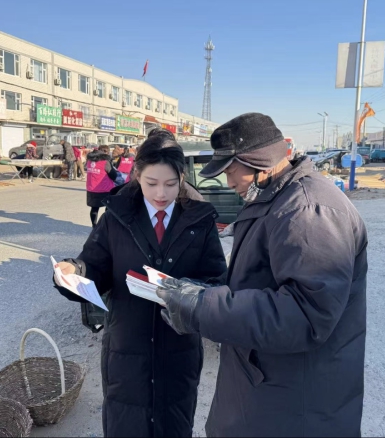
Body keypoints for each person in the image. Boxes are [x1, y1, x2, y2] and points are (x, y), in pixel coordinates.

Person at [156, 112, 368, 437]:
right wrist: (201, 291)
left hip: (295, 405)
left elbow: (305, 315)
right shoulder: (274, 197)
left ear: (260, 162)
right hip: (268, 384)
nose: (228, 182)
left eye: (230, 171)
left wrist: (203, 308)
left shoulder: (308, 211)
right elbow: (257, 279)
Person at [53, 134, 227, 437]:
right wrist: (73, 271)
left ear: (181, 177)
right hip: (127, 348)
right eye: (151, 183)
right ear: (136, 174)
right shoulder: (116, 217)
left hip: (179, 348)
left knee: (174, 424)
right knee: (126, 423)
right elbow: (94, 266)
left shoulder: (199, 220)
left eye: (170, 184)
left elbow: (216, 281)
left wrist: (183, 291)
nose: (161, 193)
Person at [85, 145, 117, 227]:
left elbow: (86, 169)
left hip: (92, 188)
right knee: (108, 208)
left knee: (94, 208)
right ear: (105, 152)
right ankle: (105, 225)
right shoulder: (105, 162)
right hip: (105, 189)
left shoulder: (89, 160)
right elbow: (113, 175)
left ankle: (94, 226)